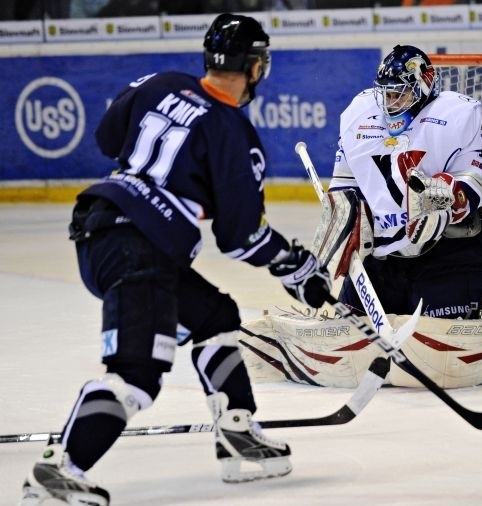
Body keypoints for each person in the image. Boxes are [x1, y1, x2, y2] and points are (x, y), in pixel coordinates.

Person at [20, 12, 331, 505]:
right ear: (255, 67)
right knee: (137, 375)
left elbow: (107, 139)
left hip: (101, 225)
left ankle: (238, 435)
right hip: (137, 249)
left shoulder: (159, 84)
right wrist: (295, 266)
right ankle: (58, 473)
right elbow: (241, 238)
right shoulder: (234, 133)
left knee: (215, 316)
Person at [325, 44, 482, 321]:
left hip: (446, 257)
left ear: (423, 86)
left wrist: (449, 198)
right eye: (386, 94)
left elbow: (477, 178)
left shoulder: (459, 114)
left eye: (399, 94)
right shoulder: (359, 114)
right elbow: (345, 179)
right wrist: (346, 212)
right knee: (349, 332)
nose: (391, 103)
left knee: (438, 344)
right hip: (379, 258)